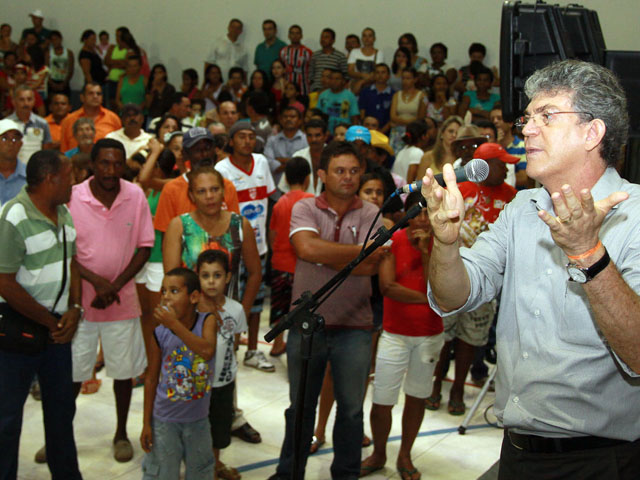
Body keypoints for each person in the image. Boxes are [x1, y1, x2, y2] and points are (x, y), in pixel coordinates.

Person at [422, 59, 640, 478]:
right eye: (528, 117)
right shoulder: (522, 209)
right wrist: (446, 244)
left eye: (547, 116)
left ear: (593, 133)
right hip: (517, 453)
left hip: (601, 461)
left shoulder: (634, 216)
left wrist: (588, 253)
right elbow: (454, 297)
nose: (526, 129)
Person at [269, 141, 388, 480]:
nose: (347, 177)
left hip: (355, 326)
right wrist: (355, 255)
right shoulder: (304, 208)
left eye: (353, 171)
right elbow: (304, 247)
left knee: (351, 411)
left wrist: (324, 253)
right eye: (339, 170)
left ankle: (346, 474)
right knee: (300, 408)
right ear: (321, 174)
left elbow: (372, 266)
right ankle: (289, 473)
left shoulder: (371, 213)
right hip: (307, 325)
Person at [69, 138, 154, 462]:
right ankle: (61, 434)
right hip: (81, 302)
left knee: (123, 372)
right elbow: (66, 251)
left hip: (122, 301)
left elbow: (144, 246)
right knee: (75, 374)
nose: (110, 170)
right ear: (92, 164)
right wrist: (97, 283)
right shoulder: (74, 196)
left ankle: (120, 433)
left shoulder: (135, 196)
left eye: (117, 163)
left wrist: (115, 285)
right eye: (104, 163)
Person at [0, 149, 82, 479]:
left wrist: (75, 309)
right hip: (18, 337)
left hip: (59, 333)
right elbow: (4, 282)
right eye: (70, 176)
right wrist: (51, 321)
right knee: (7, 420)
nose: (74, 182)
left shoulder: (63, 213)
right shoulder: (13, 217)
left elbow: (72, 264)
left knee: (61, 415)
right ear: (50, 180)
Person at [425, 142, 517, 416]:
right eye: (502, 163)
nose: (507, 168)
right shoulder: (460, 191)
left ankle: (457, 389)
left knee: (470, 340)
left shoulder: (513, 196)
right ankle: (436, 384)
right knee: (445, 337)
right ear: (485, 166)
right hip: (453, 276)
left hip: (487, 281)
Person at [360, 191, 443, 480]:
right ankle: (379, 452)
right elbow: (388, 287)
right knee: (382, 397)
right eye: (415, 212)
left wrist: (425, 251)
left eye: (427, 212)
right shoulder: (392, 241)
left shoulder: (443, 244)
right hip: (394, 334)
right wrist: (429, 300)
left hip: (430, 335)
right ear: (404, 215)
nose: (421, 219)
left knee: (417, 397)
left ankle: (405, 454)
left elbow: (442, 288)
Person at [140, 267, 217, 480]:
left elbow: (207, 351)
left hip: (198, 419)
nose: (166, 297)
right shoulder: (159, 332)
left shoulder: (207, 321)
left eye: (174, 291)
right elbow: (152, 378)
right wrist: (146, 423)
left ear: (193, 297)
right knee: (162, 473)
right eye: (163, 291)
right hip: (164, 419)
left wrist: (174, 325)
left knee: (201, 471)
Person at [215, 122, 276, 371]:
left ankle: (252, 350)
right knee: (229, 300)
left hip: (259, 246)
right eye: (242, 136)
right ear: (231, 140)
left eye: (251, 137)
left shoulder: (261, 162)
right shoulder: (222, 169)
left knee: (257, 302)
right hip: (232, 248)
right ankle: (228, 347)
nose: (248, 141)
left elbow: (269, 199)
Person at [162, 164, 261, 317]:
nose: (209, 196)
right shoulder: (179, 226)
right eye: (201, 191)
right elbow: (171, 279)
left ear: (223, 192)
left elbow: (255, 273)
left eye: (214, 189)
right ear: (192, 196)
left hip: (228, 317)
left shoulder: (240, 225)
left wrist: (243, 312)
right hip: (188, 317)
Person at [196, 250, 247, 480]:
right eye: (205, 275)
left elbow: (234, 341)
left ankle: (214, 464)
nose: (211, 281)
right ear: (197, 277)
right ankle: (197, 469)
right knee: (195, 429)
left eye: (217, 275)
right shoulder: (191, 308)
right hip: (196, 383)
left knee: (218, 429)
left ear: (227, 277)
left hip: (223, 381)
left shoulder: (235, 309)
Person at [152, 127, 239, 238]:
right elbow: (167, 237)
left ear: (215, 150)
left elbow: (234, 231)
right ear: (185, 154)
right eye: (197, 150)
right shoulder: (171, 189)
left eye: (208, 148)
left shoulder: (227, 186)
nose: (204, 154)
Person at [268, 157, 314, 356]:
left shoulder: (280, 203)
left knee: (279, 306)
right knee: (301, 308)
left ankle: (277, 343)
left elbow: (273, 234)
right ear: (307, 178)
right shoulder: (312, 201)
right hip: (303, 267)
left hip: (280, 263)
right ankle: (297, 348)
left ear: (285, 178)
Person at [59, 82, 122, 152]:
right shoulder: (68, 121)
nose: (95, 96)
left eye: (98, 94)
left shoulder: (113, 118)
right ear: (82, 97)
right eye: (91, 93)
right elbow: (64, 150)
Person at [279, 118, 328, 195]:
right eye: (309, 135)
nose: (313, 139)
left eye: (317, 135)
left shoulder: (334, 156)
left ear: (325, 136)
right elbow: (285, 190)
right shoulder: (298, 156)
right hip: (302, 205)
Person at [8, 84, 53, 164]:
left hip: (36, 170)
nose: (26, 103)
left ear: (34, 101)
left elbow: (46, 152)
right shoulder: (6, 124)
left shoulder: (42, 123)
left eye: (29, 99)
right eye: (21, 100)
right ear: (14, 102)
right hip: (12, 171)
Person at [264, 105, 308, 188]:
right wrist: (296, 163)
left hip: (301, 191)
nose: (288, 119)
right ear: (280, 120)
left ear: (300, 120)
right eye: (285, 117)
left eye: (292, 116)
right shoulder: (272, 140)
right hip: (276, 192)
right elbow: (270, 164)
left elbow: (306, 165)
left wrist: (280, 160)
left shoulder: (306, 140)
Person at [490, 105, 529, 189]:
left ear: (510, 123)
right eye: (492, 119)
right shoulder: (489, 146)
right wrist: (497, 146)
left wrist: (493, 179)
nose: (495, 121)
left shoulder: (523, 146)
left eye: (499, 118)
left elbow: (524, 178)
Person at [389, 68, 426, 153]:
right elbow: (393, 116)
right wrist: (408, 121)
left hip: (414, 131)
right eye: (403, 78)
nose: (405, 81)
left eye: (408, 78)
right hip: (397, 132)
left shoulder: (422, 96)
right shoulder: (396, 95)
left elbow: (420, 117)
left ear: (415, 79)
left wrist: (402, 122)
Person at [415, 115, 463, 179]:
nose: (454, 135)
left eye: (457, 133)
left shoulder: (463, 159)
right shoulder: (428, 157)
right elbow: (419, 185)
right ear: (442, 134)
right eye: (450, 131)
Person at [317, 69, 359, 134]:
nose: (334, 81)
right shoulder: (323, 95)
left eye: (337, 79)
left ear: (343, 81)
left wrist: (353, 134)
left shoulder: (350, 96)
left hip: (344, 132)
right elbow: (318, 115)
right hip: (326, 133)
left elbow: (355, 118)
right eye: (331, 78)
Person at [358, 63, 394, 135]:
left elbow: (392, 118)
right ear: (374, 75)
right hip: (367, 132)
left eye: (383, 72)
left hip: (385, 133)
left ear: (388, 76)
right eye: (377, 72)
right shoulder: (365, 91)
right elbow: (362, 113)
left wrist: (380, 132)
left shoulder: (393, 94)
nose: (380, 75)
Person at [347, 27, 384, 95]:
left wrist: (362, 82)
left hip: (371, 88)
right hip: (354, 88)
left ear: (374, 39)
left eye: (370, 36)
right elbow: (350, 71)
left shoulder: (379, 53)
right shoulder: (354, 52)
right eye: (364, 36)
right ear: (362, 39)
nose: (367, 38)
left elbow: (377, 72)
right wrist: (362, 75)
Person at [309, 28, 347, 92]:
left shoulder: (340, 56)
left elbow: (345, 76)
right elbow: (311, 75)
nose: (323, 39)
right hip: (316, 91)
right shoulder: (315, 55)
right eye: (322, 37)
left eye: (326, 37)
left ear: (333, 40)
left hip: (333, 92)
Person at [279, 25, 313, 96]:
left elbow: (312, 69)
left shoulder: (307, 52)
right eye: (292, 33)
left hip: (304, 90)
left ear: (301, 36)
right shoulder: (283, 51)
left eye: (297, 33)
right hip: (288, 90)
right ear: (289, 36)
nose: (295, 36)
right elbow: (281, 69)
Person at [0, 118, 25, 205]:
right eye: (4, 139)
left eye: (15, 139)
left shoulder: (30, 177)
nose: (10, 143)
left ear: (20, 144)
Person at [47, 30, 74, 97]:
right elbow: (46, 69)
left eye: (56, 39)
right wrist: (52, 83)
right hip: (52, 82)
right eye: (52, 40)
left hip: (64, 82)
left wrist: (64, 83)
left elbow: (70, 69)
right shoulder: (48, 53)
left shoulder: (68, 53)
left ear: (60, 39)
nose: (54, 42)